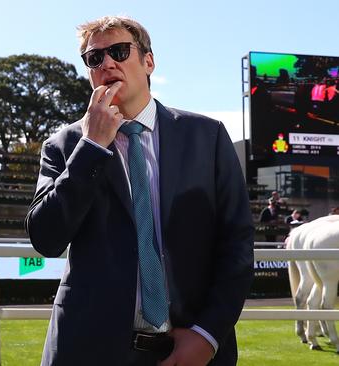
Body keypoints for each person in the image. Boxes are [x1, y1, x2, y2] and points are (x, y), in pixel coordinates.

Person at [25, 16, 254, 365]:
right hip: (88, 349)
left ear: (149, 61)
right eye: (94, 58)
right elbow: (46, 238)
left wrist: (207, 337)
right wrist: (92, 147)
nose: (108, 63)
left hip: (191, 346)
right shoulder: (64, 145)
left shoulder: (207, 137)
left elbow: (236, 244)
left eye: (118, 50)